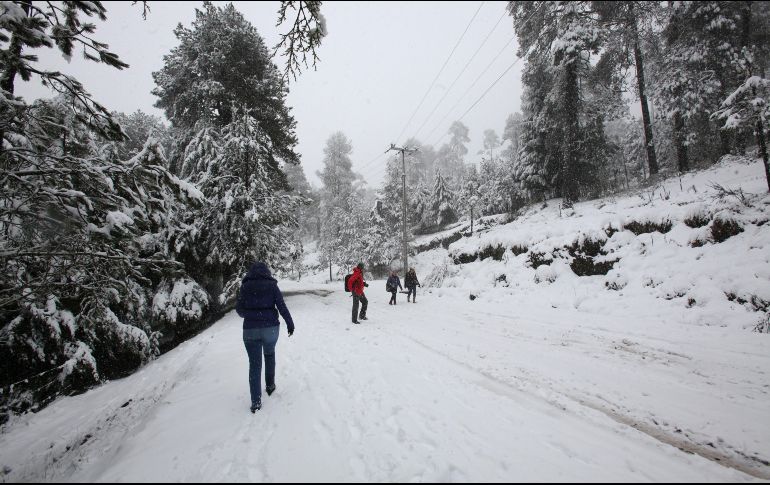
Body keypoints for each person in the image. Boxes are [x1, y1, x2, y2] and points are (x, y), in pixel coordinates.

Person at [236, 262, 295, 413]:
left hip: (250, 330)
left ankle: (256, 402)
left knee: (254, 365)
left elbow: (240, 310)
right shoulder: (271, 285)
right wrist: (290, 323)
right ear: (266, 272)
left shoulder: (245, 287)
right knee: (269, 354)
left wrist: (252, 314)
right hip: (271, 328)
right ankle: (270, 386)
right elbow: (281, 306)